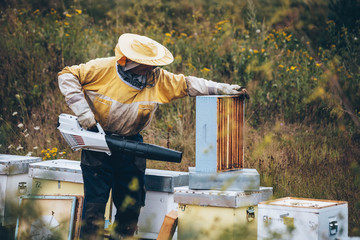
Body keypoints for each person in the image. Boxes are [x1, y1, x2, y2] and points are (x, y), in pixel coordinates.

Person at [58, 33, 249, 239]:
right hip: (97, 144)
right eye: (146, 64)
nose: (152, 69)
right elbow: (67, 75)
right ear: (130, 62)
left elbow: (189, 84)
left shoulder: (158, 79)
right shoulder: (101, 68)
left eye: (153, 64)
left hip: (131, 146)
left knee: (130, 206)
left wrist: (224, 88)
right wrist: (84, 113)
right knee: (94, 207)